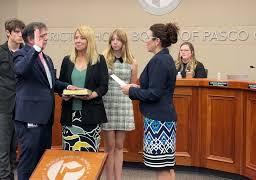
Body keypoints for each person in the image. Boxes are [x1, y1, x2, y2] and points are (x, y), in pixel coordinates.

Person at [13, 22, 73, 180]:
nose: (46, 38)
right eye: (42, 36)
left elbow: (51, 83)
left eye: (46, 35)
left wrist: (67, 88)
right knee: (28, 162)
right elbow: (21, 70)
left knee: (42, 161)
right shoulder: (20, 55)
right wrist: (36, 50)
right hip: (29, 118)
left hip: (45, 119)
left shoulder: (46, 58)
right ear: (31, 39)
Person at [121, 23, 179, 180]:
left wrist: (131, 90)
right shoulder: (164, 59)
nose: (145, 41)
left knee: (162, 168)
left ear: (157, 41)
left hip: (159, 121)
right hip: (163, 119)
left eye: (148, 38)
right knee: (167, 166)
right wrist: (137, 87)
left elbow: (154, 93)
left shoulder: (160, 61)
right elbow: (154, 88)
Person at [0, 18, 25, 180]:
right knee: (2, 147)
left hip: (21, 106)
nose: (20, 34)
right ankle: (4, 178)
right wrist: (3, 92)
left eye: (21, 31)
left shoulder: (25, 52)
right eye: (16, 31)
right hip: (2, 106)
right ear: (8, 33)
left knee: (13, 147)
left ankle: (10, 176)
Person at [59, 25, 109, 152]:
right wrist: (63, 94)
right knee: (70, 157)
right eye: (76, 38)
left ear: (89, 40)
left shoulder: (99, 60)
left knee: (90, 158)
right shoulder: (67, 60)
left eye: (82, 38)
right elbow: (61, 84)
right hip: (70, 116)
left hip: (91, 115)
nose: (78, 40)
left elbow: (104, 86)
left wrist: (92, 95)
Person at [102, 29, 138, 180]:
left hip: (124, 105)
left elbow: (133, 85)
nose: (115, 42)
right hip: (108, 103)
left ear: (124, 42)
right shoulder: (104, 59)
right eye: (113, 39)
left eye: (118, 40)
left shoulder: (132, 62)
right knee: (109, 147)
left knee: (119, 146)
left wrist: (133, 88)